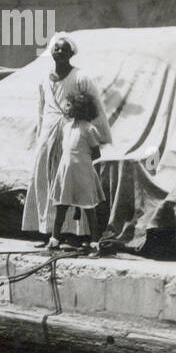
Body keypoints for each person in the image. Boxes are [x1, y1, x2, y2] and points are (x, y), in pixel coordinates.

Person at [21, 33, 111, 239]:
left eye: (64, 49)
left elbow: (95, 107)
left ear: (71, 53)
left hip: (71, 130)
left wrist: (100, 137)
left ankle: (72, 232)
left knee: (70, 178)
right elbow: (41, 109)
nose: (59, 52)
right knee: (46, 176)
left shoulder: (81, 77)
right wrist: (40, 135)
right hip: (49, 131)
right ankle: (47, 229)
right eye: (56, 48)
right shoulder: (44, 78)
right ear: (51, 52)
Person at [47, 89, 108, 251]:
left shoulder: (89, 129)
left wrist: (82, 164)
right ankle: (54, 239)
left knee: (88, 208)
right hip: (66, 173)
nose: (66, 108)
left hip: (82, 173)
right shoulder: (66, 128)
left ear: (79, 108)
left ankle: (95, 242)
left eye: (69, 105)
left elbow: (96, 153)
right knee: (61, 205)